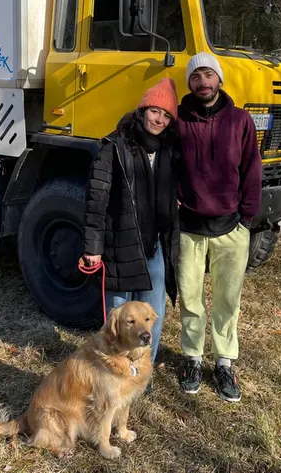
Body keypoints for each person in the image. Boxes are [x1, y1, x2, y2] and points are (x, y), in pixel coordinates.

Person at [81, 77, 181, 386]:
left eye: (166, 116)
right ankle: (114, 374)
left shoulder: (168, 151)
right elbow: (96, 199)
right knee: (118, 318)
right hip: (119, 244)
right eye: (155, 111)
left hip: (154, 247)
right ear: (141, 110)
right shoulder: (114, 146)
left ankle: (141, 376)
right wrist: (93, 246)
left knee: (150, 315)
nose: (159, 120)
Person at [175, 52, 263, 402]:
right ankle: (192, 358)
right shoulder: (178, 120)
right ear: (190, 83)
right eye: (196, 77)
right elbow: (163, 160)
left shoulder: (240, 121)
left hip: (231, 229)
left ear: (220, 80)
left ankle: (224, 362)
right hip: (189, 228)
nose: (202, 82)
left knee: (228, 300)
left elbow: (252, 170)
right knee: (191, 299)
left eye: (208, 75)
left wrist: (246, 218)